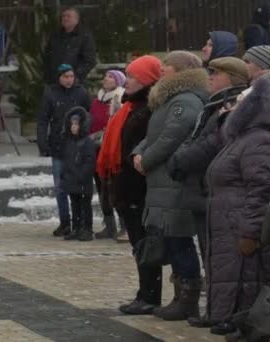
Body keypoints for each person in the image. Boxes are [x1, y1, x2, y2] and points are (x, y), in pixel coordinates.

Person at [165, 56, 249, 328]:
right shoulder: (215, 104)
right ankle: (215, 308)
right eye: (210, 71)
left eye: (217, 72)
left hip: (210, 190)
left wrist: (179, 159)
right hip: (203, 190)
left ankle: (222, 311)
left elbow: (208, 144)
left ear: (232, 79)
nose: (210, 76)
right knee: (210, 253)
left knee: (218, 255)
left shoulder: (231, 106)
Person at [131, 51, 208, 321]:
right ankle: (180, 296)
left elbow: (171, 137)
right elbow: (154, 136)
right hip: (163, 182)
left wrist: (146, 159)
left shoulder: (185, 100)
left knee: (180, 241)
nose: (161, 69)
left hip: (174, 182)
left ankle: (187, 298)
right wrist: (138, 153)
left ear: (181, 70)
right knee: (173, 239)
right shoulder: (171, 98)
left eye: (167, 65)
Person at [205, 78, 270, 339]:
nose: (233, 107)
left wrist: (250, 233)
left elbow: (261, 190)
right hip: (230, 227)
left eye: (239, 103)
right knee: (235, 294)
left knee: (247, 291)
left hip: (241, 232)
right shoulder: (241, 139)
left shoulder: (258, 141)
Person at [94, 56, 163, 315]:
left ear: (145, 80)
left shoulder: (147, 109)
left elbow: (139, 149)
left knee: (145, 244)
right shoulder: (131, 108)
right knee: (140, 245)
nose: (128, 80)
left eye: (133, 76)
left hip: (139, 188)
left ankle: (149, 295)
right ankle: (145, 293)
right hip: (126, 187)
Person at [37, 64, 91, 237]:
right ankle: (65, 221)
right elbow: (43, 119)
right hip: (59, 145)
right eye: (65, 76)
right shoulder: (51, 93)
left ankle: (81, 223)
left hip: (78, 146)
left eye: (71, 76)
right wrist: (42, 142)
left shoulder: (81, 92)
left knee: (79, 186)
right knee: (60, 186)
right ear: (59, 77)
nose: (69, 80)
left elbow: (88, 115)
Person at [89, 69, 126, 241]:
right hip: (96, 148)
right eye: (106, 76)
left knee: (114, 189)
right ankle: (109, 225)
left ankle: (124, 226)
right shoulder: (98, 99)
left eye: (111, 77)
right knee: (102, 188)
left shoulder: (119, 99)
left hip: (112, 149)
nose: (106, 79)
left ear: (118, 81)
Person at [61, 107, 96, 241]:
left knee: (85, 206)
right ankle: (76, 227)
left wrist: (82, 176)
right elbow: (67, 160)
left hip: (82, 181)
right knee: (74, 205)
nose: (74, 127)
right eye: (72, 124)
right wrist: (64, 174)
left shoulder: (87, 142)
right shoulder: (69, 142)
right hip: (71, 180)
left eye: (76, 124)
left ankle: (86, 228)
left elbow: (89, 162)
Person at [43, 7, 96, 85]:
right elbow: (47, 56)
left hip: (74, 82)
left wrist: (74, 77)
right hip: (54, 81)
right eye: (63, 16)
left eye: (68, 16)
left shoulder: (84, 37)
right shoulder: (55, 36)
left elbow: (89, 60)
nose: (65, 18)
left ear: (76, 19)